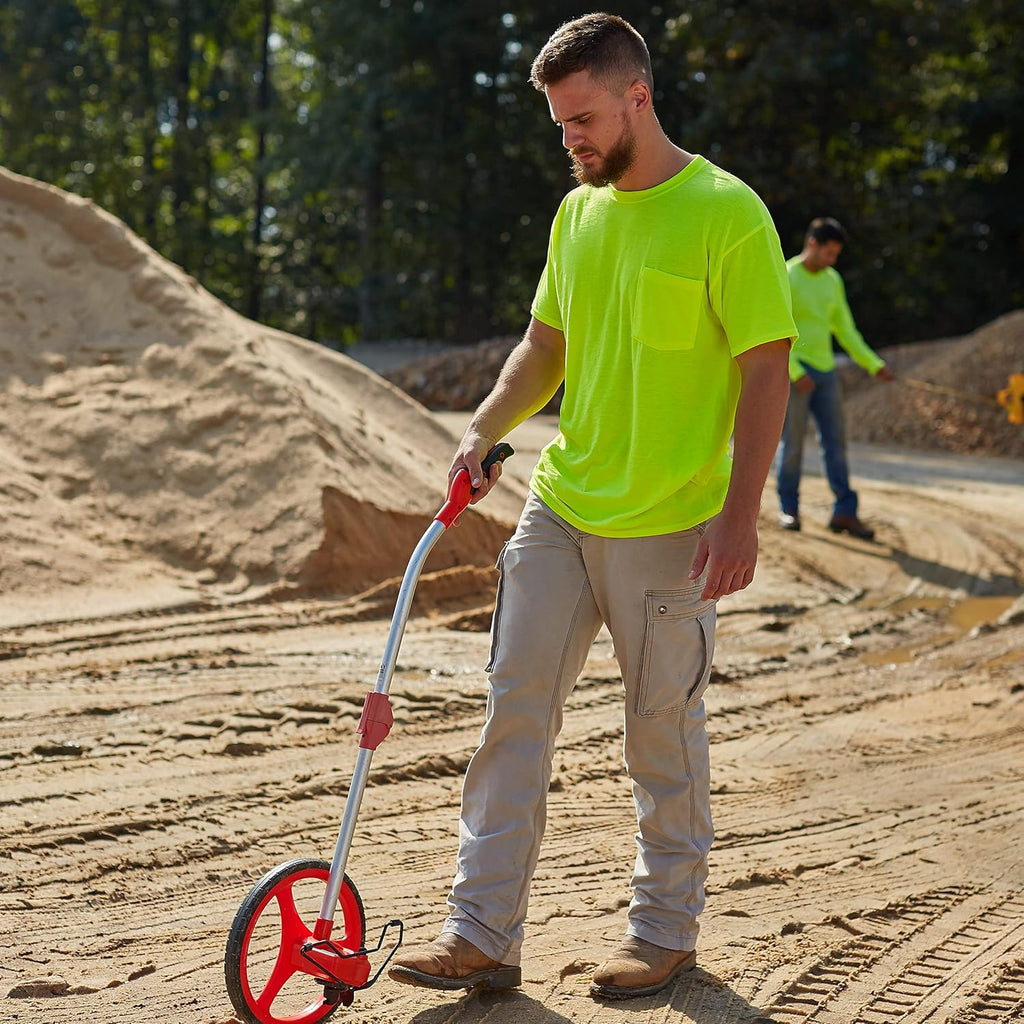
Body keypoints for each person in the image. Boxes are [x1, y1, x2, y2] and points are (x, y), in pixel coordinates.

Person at [388, 12, 796, 1001]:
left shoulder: (724, 212)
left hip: (671, 527)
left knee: (660, 732)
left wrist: (739, 518)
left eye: (580, 120)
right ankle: (480, 931)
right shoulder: (579, 215)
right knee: (512, 709)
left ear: (636, 98)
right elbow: (543, 346)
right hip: (562, 509)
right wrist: (482, 430)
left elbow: (765, 370)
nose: (568, 140)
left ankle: (663, 933)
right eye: (558, 124)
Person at [776, 217, 894, 539]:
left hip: (826, 373)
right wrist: (794, 371)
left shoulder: (833, 280)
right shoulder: (785, 275)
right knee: (794, 445)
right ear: (811, 243)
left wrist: (873, 364)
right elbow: (773, 331)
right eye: (828, 252)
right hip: (796, 373)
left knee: (836, 445)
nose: (832, 259)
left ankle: (844, 512)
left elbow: (845, 329)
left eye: (836, 254)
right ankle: (789, 508)